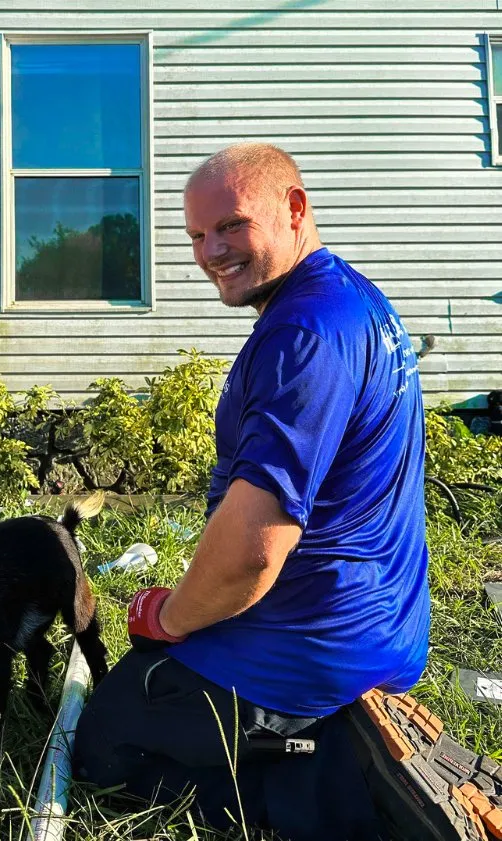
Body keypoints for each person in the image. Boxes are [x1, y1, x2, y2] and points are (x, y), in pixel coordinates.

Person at [72, 143, 502, 841]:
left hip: (315, 639)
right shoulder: (355, 301)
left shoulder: (301, 333)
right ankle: (335, 734)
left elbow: (252, 551)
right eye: (197, 236)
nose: (211, 251)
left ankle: (344, 777)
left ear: (295, 208)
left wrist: (171, 616)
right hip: (385, 622)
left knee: (108, 741)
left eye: (232, 226)